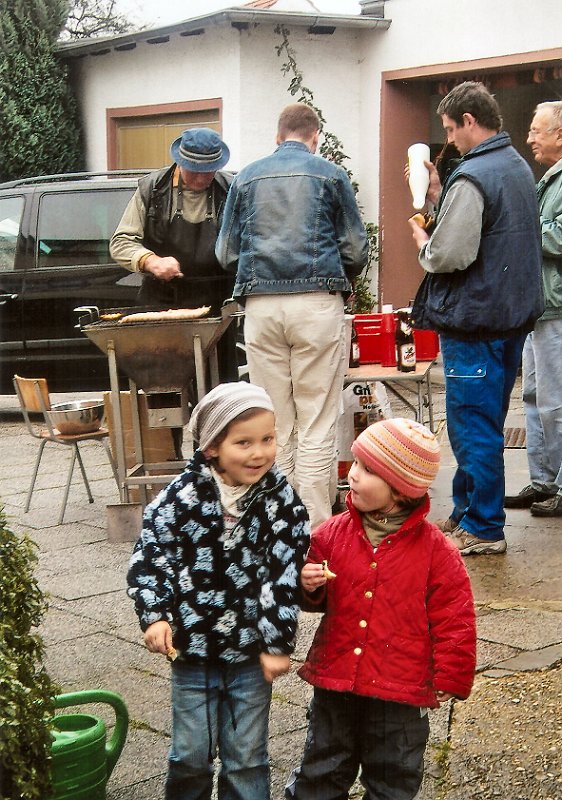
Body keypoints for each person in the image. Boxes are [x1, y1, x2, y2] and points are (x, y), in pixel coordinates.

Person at [127, 382, 310, 800]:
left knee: (246, 758)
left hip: (249, 655)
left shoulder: (281, 502)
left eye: (267, 439)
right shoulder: (180, 497)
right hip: (191, 652)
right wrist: (155, 615)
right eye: (244, 442)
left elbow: (283, 576)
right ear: (212, 447)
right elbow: (152, 555)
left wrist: (277, 643)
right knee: (189, 755)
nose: (259, 453)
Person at [285, 418, 476, 800]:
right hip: (337, 680)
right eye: (355, 463)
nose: (353, 474)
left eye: (368, 469)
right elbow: (310, 598)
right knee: (322, 768)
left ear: (401, 490)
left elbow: (454, 616)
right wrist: (307, 585)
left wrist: (452, 674)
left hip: (401, 691)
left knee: (393, 776)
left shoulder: (436, 551)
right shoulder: (331, 534)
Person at [216, 103, 369, 529]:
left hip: (261, 306)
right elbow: (356, 249)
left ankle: (277, 522)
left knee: (273, 421)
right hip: (317, 303)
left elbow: (225, 252)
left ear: (278, 136)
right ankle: (316, 529)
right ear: (315, 136)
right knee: (317, 418)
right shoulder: (331, 175)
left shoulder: (246, 177)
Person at [408, 81, 544, 555]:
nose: (449, 140)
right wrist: (440, 193)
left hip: (475, 319)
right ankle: (466, 511)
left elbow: (451, 254)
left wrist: (424, 243)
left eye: (451, 129)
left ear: (470, 121)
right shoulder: (515, 165)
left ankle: (484, 527)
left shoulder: (474, 176)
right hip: (508, 317)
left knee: (472, 426)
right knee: (484, 420)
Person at [110, 127, 238, 381]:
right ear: (180, 162)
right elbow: (121, 242)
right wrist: (150, 261)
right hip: (162, 305)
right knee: (165, 387)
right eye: (194, 171)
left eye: (208, 171)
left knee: (221, 389)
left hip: (217, 307)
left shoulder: (230, 189)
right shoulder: (153, 189)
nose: (201, 179)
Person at [504, 101, 562, 517]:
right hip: (538, 306)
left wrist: (523, 225)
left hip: (557, 306)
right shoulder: (550, 179)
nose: (529, 139)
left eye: (536, 131)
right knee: (534, 396)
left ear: (560, 134)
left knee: (557, 400)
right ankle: (543, 481)